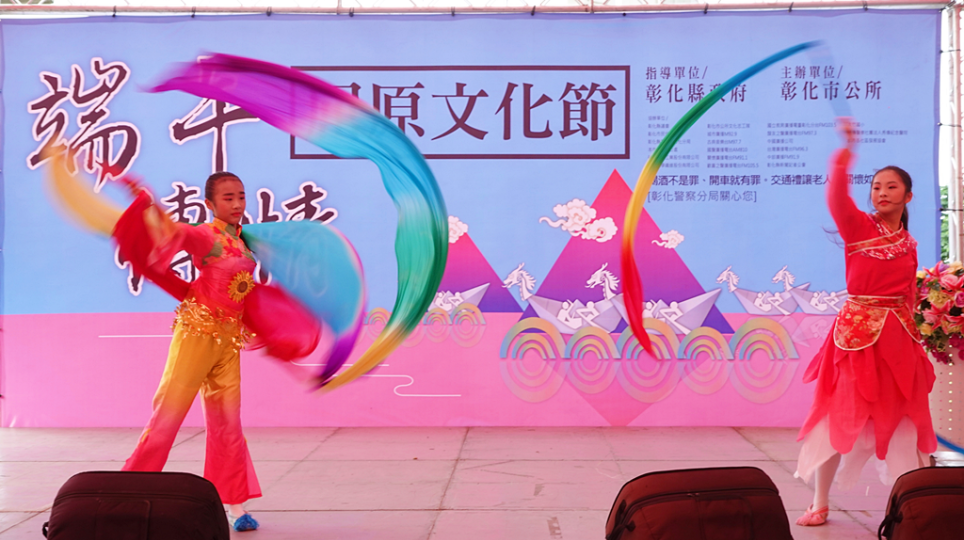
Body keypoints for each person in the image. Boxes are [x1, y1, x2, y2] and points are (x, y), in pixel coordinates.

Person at [794, 119, 937, 526]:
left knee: (906, 418)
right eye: (876, 187)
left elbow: (908, 295)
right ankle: (819, 502)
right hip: (857, 338)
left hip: (899, 339)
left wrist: (917, 335)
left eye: (891, 187)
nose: (882, 193)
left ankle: (912, 502)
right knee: (839, 416)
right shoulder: (858, 227)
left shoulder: (908, 242)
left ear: (908, 196)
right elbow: (836, 198)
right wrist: (846, 153)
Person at [122, 172, 261, 532]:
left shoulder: (242, 241)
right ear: (210, 204)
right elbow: (177, 232)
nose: (237, 204)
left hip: (228, 342)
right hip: (196, 335)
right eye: (228, 198)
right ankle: (126, 497)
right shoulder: (206, 235)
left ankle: (234, 504)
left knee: (228, 424)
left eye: (241, 196)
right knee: (167, 417)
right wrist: (150, 208)